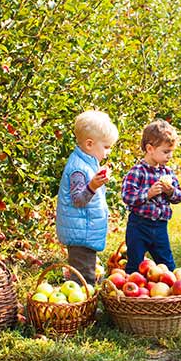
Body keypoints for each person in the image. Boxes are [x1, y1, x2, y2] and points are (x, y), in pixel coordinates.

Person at [55, 110, 119, 285]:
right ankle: (83, 308)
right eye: (106, 147)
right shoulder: (78, 168)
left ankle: (83, 302)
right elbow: (78, 200)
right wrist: (93, 185)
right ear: (89, 144)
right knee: (84, 276)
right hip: (80, 233)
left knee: (86, 270)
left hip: (84, 230)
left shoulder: (86, 162)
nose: (108, 152)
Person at [121, 119, 181, 274]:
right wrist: (147, 194)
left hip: (160, 226)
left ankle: (170, 295)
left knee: (168, 266)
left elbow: (179, 196)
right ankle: (131, 297)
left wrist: (170, 192)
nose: (169, 156)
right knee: (134, 264)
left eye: (171, 152)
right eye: (165, 152)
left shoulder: (167, 172)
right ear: (150, 148)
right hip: (139, 226)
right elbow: (127, 196)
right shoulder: (137, 171)